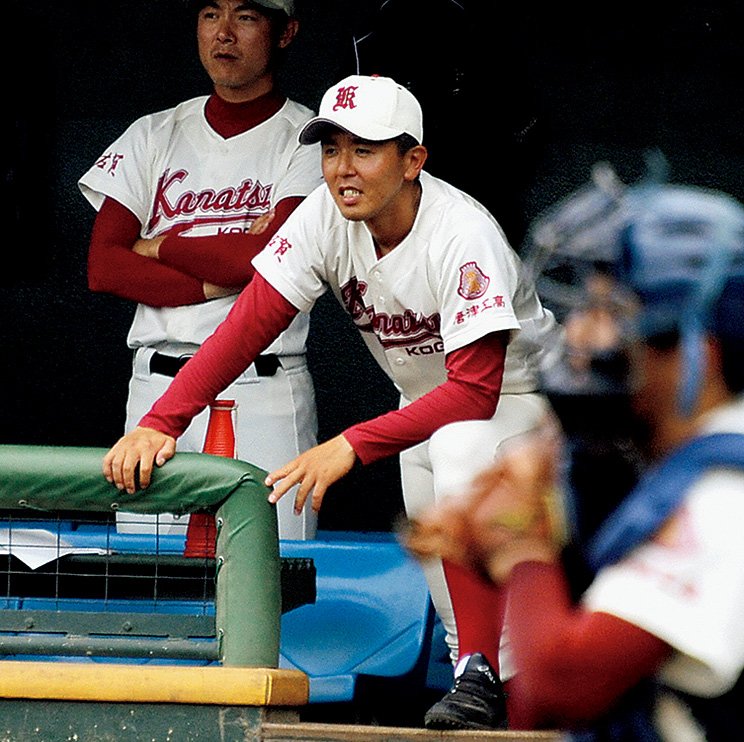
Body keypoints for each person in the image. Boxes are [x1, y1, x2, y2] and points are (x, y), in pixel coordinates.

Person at [100, 73, 561, 730]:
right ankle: (485, 686)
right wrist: (160, 422)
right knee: (459, 607)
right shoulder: (325, 214)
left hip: (524, 408)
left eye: (364, 150)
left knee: (457, 448)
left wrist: (352, 443)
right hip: (426, 406)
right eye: (331, 148)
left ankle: (489, 678)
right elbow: (247, 325)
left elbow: (477, 389)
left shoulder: (462, 232)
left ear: (412, 161)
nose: (343, 168)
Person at [403, 172, 744, 739]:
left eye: (613, 313)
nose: (582, 335)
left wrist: (520, 544)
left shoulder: (726, 491)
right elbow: (539, 712)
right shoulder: (657, 463)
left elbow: (564, 686)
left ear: (697, 355)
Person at [78, 0, 322, 541]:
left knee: (274, 569)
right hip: (156, 385)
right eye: (211, 15)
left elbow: (263, 262)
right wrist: (220, 277)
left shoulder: (310, 139)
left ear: (285, 32)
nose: (224, 34)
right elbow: (104, 266)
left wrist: (157, 245)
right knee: (147, 576)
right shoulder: (154, 132)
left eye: (247, 17)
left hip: (263, 387)